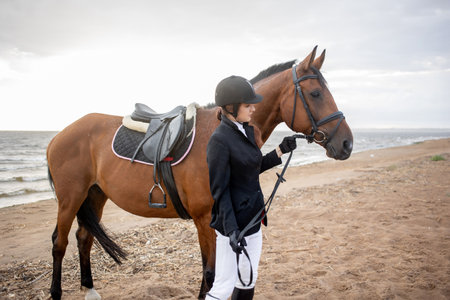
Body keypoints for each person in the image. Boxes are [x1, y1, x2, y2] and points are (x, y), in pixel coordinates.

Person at [206, 75, 297, 300]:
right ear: (230, 107)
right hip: (234, 227)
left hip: (254, 218)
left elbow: (251, 168)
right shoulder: (219, 140)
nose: (253, 109)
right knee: (223, 288)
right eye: (248, 105)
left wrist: (280, 151)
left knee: (247, 280)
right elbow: (220, 190)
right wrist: (232, 230)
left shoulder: (245, 130)